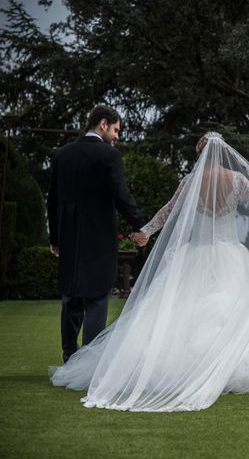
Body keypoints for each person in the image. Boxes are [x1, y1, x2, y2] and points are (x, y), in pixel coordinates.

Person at [50, 132, 249, 412]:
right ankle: (228, 367)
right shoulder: (236, 180)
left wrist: (145, 231)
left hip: (194, 255)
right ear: (222, 152)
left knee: (181, 310)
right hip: (231, 255)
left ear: (200, 153)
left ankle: (177, 367)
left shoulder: (191, 181)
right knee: (228, 310)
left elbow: (168, 212)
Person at [47, 105, 145, 363]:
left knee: (71, 299)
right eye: (115, 130)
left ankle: (69, 357)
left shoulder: (62, 154)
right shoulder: (109, 156)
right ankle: (90, 363)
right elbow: (121, 196)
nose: (117, 137)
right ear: (103, 124)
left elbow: (52, 201)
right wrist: (139, 225)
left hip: (69, 238)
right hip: (99, 239)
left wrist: (54, 239)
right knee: (97, 299)